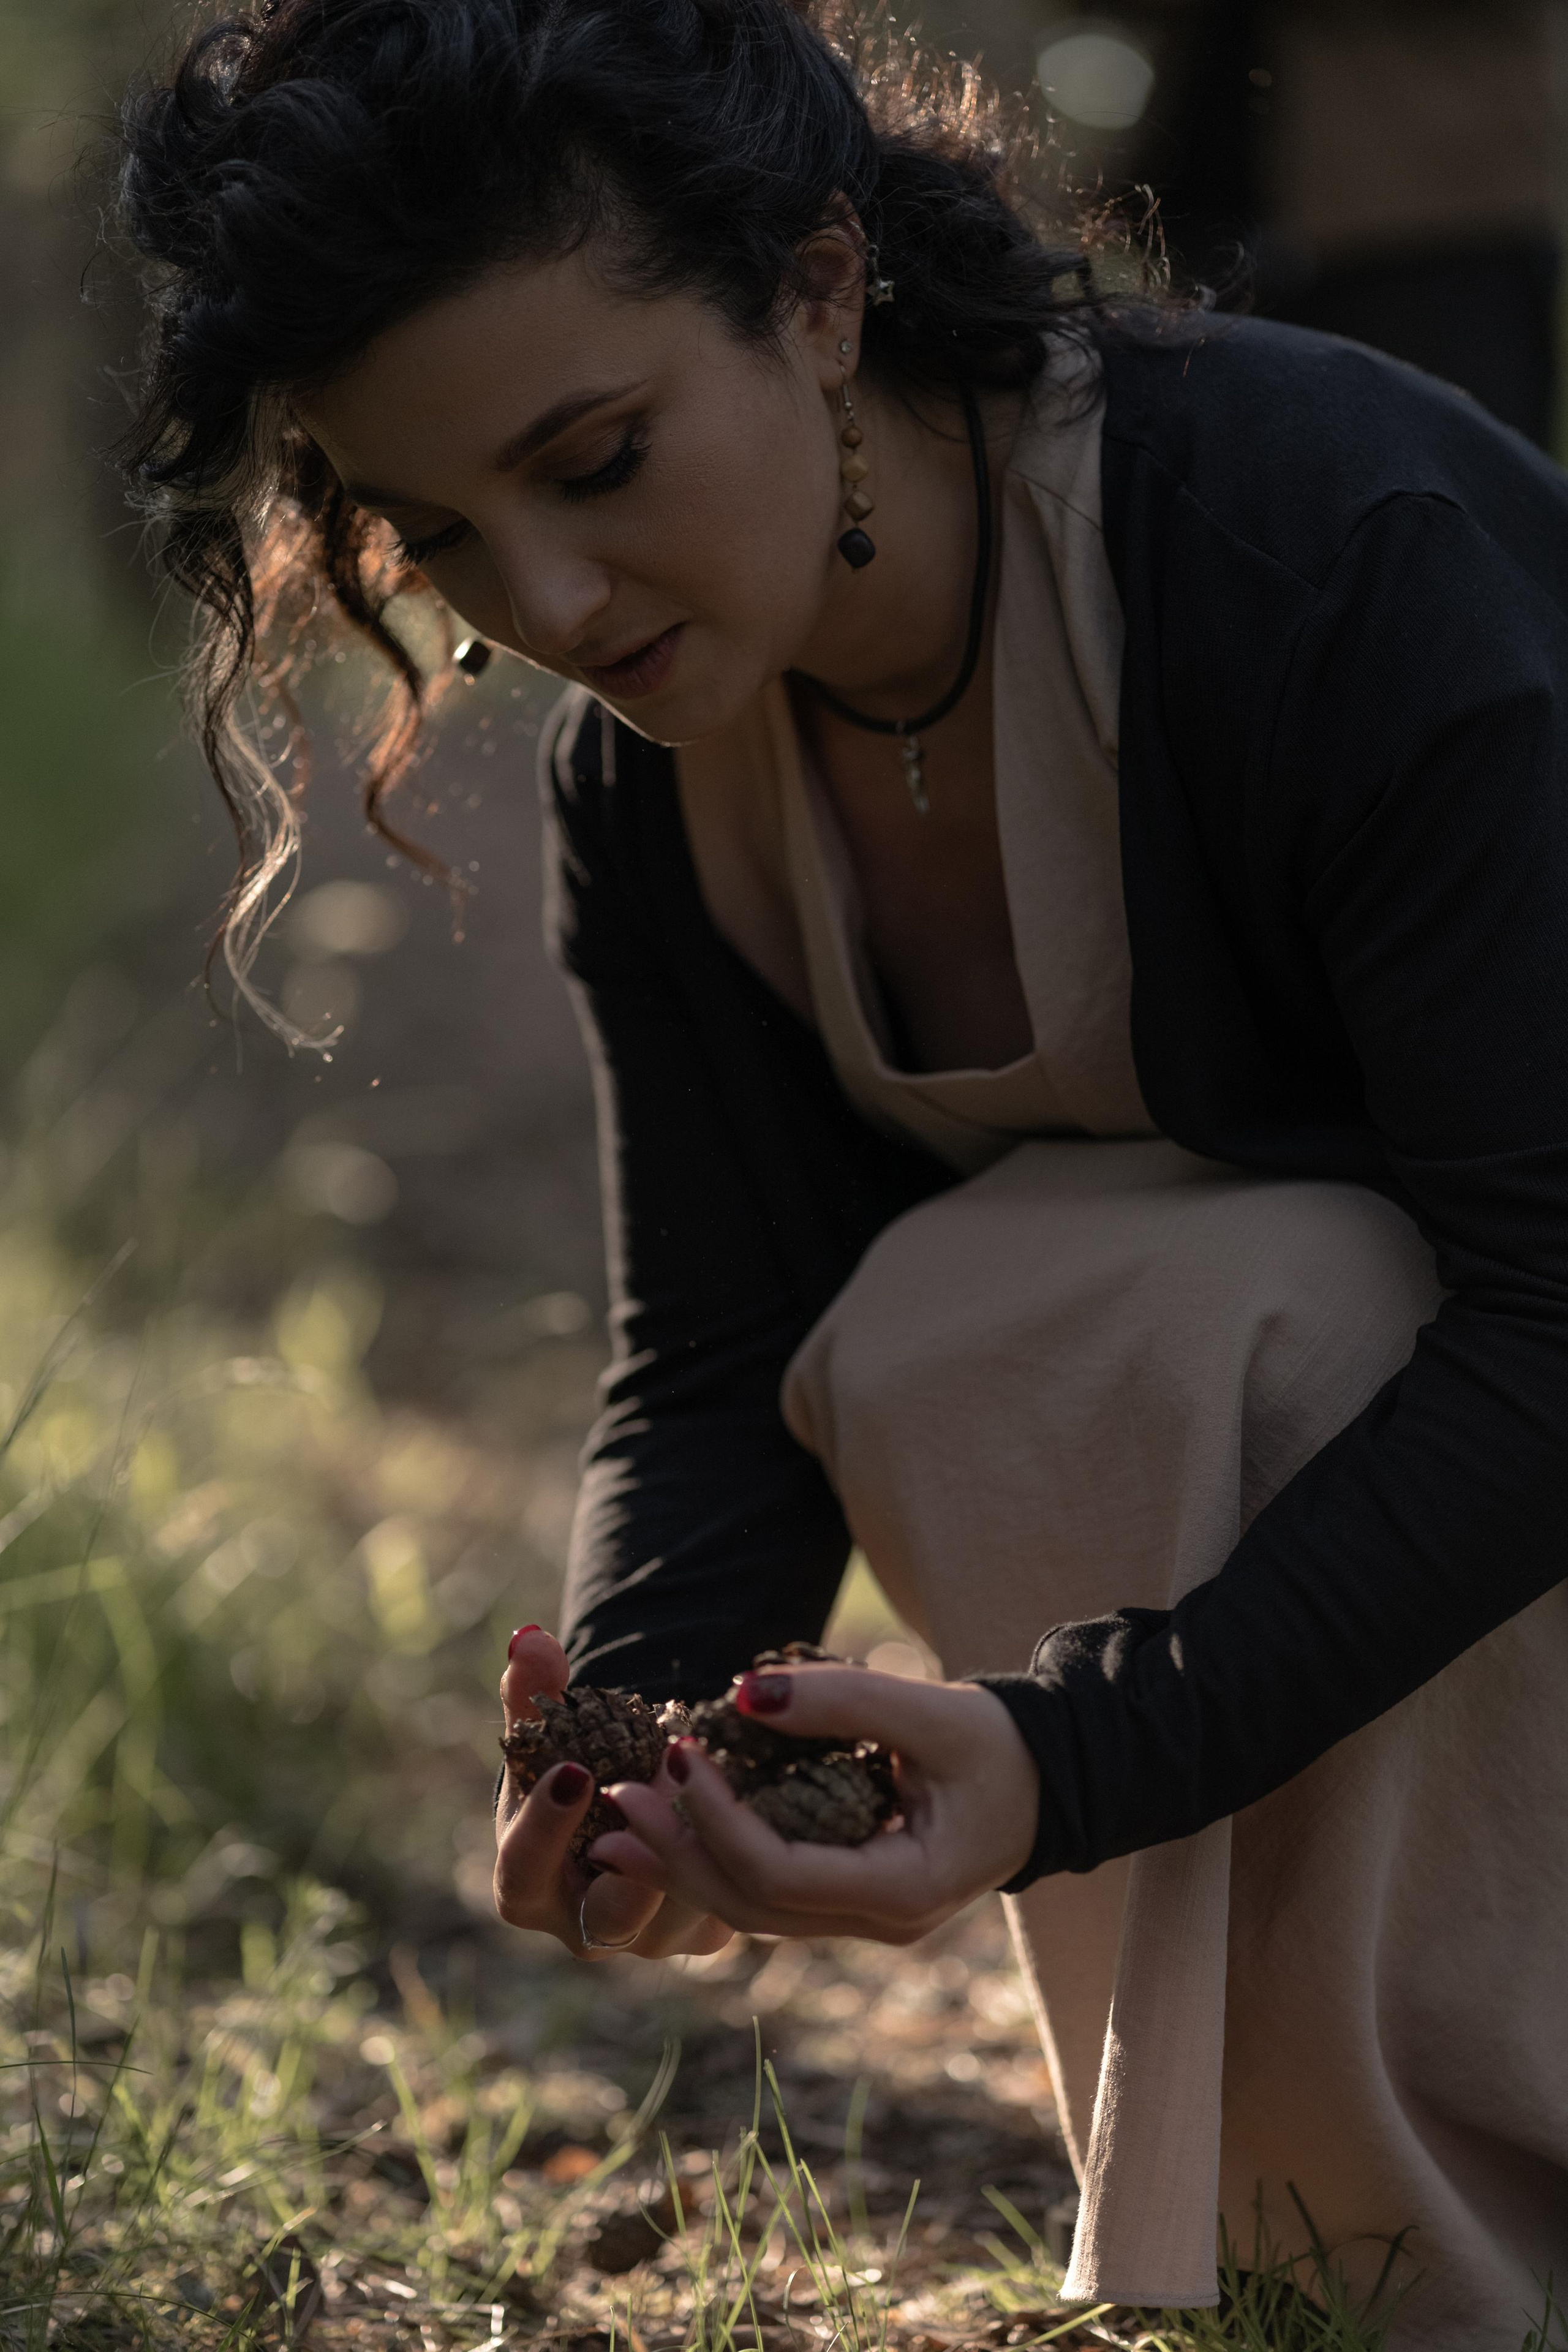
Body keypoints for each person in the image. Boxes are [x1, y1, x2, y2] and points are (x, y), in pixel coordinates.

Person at [115, 0, 1568, 2336]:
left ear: (817, 288)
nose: (551, 608)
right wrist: (644, 1741)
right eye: (447, 533)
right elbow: (721, 1350)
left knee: (1241, 1300)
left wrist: (1072, 1762)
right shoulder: (653, 780)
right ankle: (1333, 2246)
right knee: (963, 1319)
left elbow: (1556, 1301)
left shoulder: (1311, 545)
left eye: (597, 457)